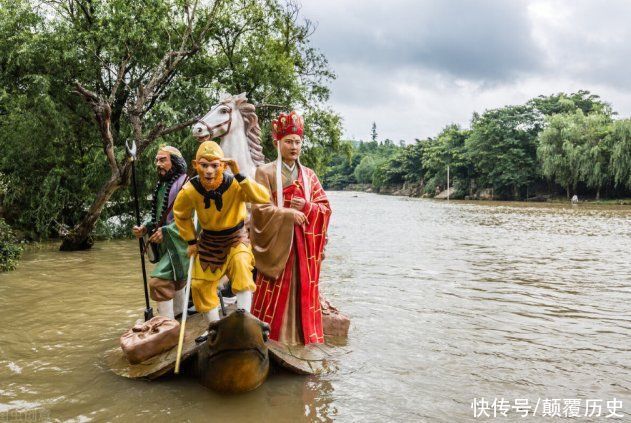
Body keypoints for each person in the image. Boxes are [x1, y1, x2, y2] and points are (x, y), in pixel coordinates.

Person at [250, 111, 332, 345]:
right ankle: (271, 337)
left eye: (297, 141)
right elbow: (259, 209)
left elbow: (325, 207)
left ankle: (301, 339)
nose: (293, 146)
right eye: (288, 141)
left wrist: (307, 206)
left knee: (302, 289)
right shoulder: (264, 172)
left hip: (304, 247)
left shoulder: (309, 175)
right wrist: (287, 214)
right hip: (279, 245)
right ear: (278, 143)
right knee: (273, 290)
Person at [173, 141, 270, 326]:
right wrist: (191, 241)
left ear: (223, 166)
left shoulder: (235, 184)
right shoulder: (190, 190)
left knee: (241, 265)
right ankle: (214, 327)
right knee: (200, 284)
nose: (209, 171)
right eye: (204, 165)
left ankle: (244, 321)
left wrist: (239, 174)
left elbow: (262, 197)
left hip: (235, 236)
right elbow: (181, 215)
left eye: (214, 165)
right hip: (209, 239)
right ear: (195, 165)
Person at [132, 145, 189, 319]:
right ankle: (179, 313)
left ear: (175, 162)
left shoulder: (186, 185)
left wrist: (167, 231)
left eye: (163, 159)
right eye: (157, 160)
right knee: (176, 280)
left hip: (181, 242)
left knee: (158, 282)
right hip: (167, 243)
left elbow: (194, 218)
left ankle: (166, 323)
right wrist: (146, 227)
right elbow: (159, 217)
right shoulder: (162, 187)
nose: (158, 164)